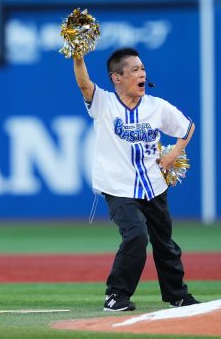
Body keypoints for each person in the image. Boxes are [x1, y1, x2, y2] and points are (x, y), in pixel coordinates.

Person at [73, 47, 200, 312]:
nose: (142, 73)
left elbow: (187, 127)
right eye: (134, 70)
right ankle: (116, 295)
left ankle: (177, 296)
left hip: (154, 186)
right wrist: (78, 55)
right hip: (118, 189)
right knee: (135, 236)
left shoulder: (157, 107)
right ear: (116, 77)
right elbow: (84, 83)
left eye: (142, 69)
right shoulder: (105, 104)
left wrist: (173, 155)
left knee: (165, 243)